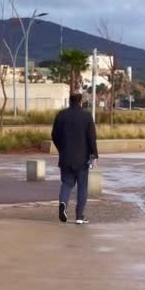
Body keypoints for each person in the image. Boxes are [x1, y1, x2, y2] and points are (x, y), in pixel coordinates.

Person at [52, 93, 98, 224]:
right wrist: (94, 155)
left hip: (65, 157)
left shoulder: (61, 115)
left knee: (66, 183)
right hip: (82, 159)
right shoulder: (87, 116)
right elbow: (91, 138)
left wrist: (61, 148)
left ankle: (63, 203)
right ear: (80, 101)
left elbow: (54, 135)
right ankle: (79, 216)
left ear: (70, 101)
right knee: (82, 187)